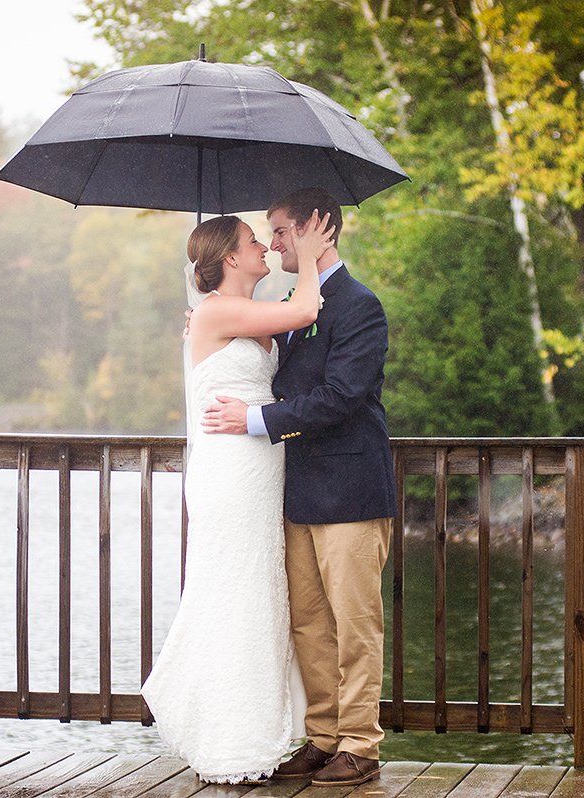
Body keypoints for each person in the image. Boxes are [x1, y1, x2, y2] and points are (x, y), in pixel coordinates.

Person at [202, 186, 397, 788]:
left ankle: (361, 745)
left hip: (350, 489)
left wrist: (255, 421)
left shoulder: (359, 305)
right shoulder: (295, 302)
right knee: (308, 622)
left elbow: (341, 397)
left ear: (320, 228)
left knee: (354, 621)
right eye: (269, 233)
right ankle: (323, 737)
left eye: (282, 230)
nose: (275, 242)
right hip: (295, 489)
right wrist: (212, 327)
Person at [141, 209, 335, 784]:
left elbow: (289, 327)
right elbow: (303, 309)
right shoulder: (219, 310)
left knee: (259, 593)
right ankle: (228, 738)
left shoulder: (234, 314)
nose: (265, 249)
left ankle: (254, 732)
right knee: (232, 587)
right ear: (230, 258)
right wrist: (305, 245)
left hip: (259, 468)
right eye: (256, 242)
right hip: (229, 471)